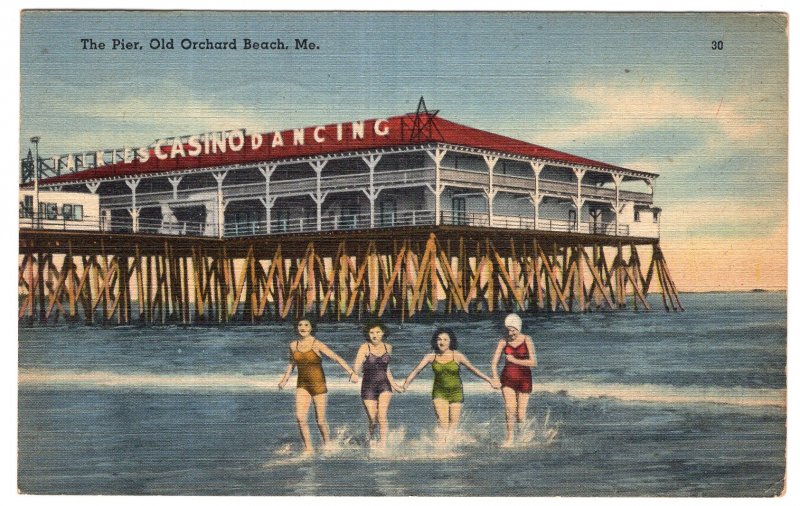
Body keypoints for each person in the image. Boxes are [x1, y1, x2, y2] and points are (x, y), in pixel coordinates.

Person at [278, 318, 358, 454]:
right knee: (300, 418)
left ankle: (328, 445)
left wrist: (351, 372)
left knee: (320, 420)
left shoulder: (317, 344)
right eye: (300, 325)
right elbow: (292, 364)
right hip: (302, 385)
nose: (302, 327)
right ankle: (309, 449)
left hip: (318, 385)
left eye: (306, 325)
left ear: (311, 328)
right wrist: (284, 380)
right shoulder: (293, 345)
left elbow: (336, 358)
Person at [402, 328, 499, 441]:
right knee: (443, 424)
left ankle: (448, 447)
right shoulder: (430, 356)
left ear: (450, 342)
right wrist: (405, 385)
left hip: (456, 393)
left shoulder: (457, 355)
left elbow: (473, 369)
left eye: (445, 340)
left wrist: (490, 380)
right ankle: (441, 448)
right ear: (435, 341)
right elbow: (416, 370)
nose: (442, 342)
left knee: (453, 426)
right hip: (439, 393)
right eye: (439, 339)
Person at [352, 321, 404, 448]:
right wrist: (355, 373)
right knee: (373, 419)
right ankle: (370, 440)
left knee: (382, 415)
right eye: (371, 332)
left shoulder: (388, 347)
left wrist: (394, 385)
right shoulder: (365, 347)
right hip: (368, 386)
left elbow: (386, 369)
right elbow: (357, 366)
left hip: (384, 385)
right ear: (368, 334)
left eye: (378, 332)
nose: (375, 335)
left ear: (383, 333)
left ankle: (382, 445)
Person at [491, 313, 537, 447]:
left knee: (521, 415)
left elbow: (534, 362)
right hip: (507, 379)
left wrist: (515, 360)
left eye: (513, 330)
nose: (511, 333)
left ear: (519, 328)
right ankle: (510, 437)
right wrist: (495, 377)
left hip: (524, 379)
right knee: (510, 408)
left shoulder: (527, 339)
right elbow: (494, 363)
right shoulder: (503, 342)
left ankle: (523, 436)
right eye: (508, 330)